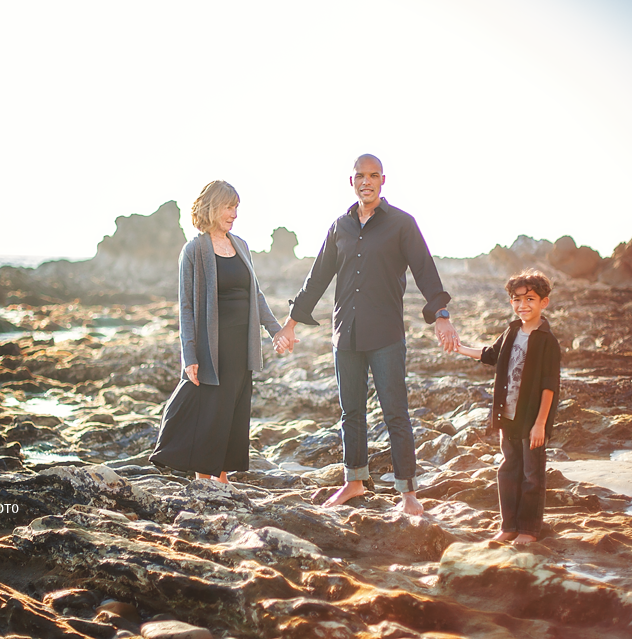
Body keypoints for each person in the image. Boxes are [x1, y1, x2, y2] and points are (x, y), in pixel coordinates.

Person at [273, 154, 458, 515]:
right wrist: (291, 323)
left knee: (395, 413)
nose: (367, 181)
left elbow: (425, 271)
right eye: (360, 176)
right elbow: (317, 278)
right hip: (346, 335)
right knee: (351, 413)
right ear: (352, 181)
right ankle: (354, 482)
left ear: (383, 181)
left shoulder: (402, 224)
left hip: (387, 334)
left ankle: (407, 494)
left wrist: (442, 315)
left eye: (373, 176)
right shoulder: (339, 226)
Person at [150, 180, 283, 482]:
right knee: (211, 414)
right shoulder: (194, 250)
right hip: (213, 346)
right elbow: (186, 306)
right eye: (228, 206)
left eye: (236, 207)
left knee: (233, 413)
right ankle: (203, 479)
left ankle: (222, 477)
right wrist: (189, 354)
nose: (234, 213)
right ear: (212, 207)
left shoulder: (241, 246)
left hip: (242, 343)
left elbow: (256, 295)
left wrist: (275, 330)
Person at [454, 270, 560, 544]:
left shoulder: (547, 340)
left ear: (544, 302)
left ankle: (528, 530)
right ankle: (509, 525)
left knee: (532, 475)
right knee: (507, 470)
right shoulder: (512, 330)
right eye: (516, 299)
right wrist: (459, 348)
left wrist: (540, 424)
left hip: (531, 419)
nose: (522, 305)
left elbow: (549, 386)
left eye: (530, 299)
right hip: (508, 415)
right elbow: (491, 354)